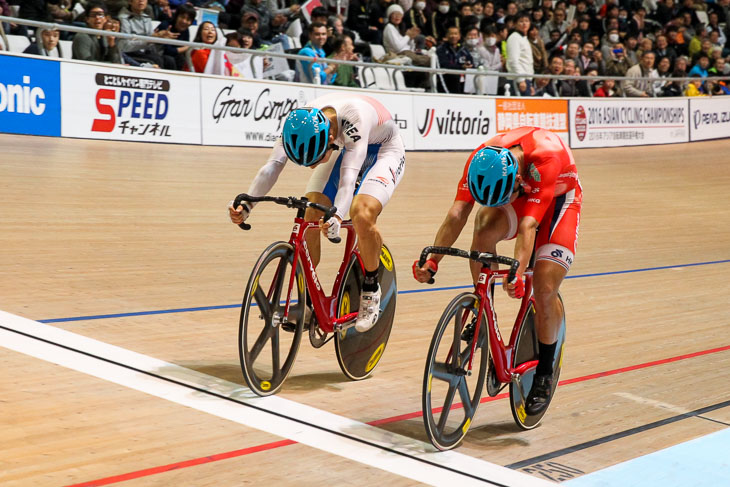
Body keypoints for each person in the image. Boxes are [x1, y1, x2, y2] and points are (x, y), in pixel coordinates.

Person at [413, 126, 581, 416]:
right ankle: (483, 311)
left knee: (543, 288)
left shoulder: (546, 157)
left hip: (558, 202)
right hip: (520, 195)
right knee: (483, 227)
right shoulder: (481, 159)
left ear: (517, 178)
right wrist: (433, 260)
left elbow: (529, 226)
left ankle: (543, 373)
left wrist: (516, 272)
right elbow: (457, 214)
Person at [229, 93, 406, 332]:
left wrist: (336, 216)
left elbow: (347, 180)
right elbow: (272, 166)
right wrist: (248, 203)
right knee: (311, 209)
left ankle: (371, 289)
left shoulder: (355, 121)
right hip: (349, 147)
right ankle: (310, 302)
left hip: (384, 151)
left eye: (313, 160)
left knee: (361, 213)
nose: (311, 167)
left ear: (330, 138)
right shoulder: (299, 123)